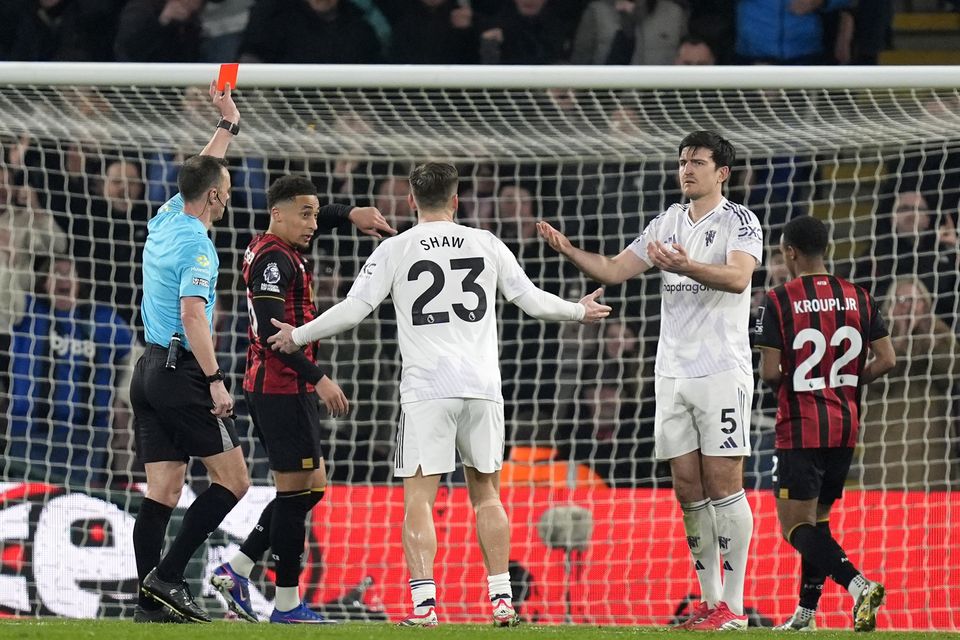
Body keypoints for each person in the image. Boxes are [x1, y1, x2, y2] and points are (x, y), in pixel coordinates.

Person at [267, 162, 611, 627]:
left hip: (428, 390)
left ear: (411, 201)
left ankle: (425, 608)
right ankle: (502, 601)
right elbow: (529, 298)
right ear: (456, 200)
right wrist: (577, 310)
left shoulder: (397, 248)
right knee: (487, 495)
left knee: (419, 500)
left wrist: (298, 334)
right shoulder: (486, 243)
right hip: (482, 387)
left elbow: (353, 309)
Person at [538, 130, 762, 630]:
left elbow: (739, 278)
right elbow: (616, 270)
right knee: (687, 487)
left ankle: (735, 607)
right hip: (672, 373)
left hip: (722, 369)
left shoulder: (740, 221)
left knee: (725, 483)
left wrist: (688, 265)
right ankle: (707, 602)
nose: (686, 169)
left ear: (721, 172)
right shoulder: (667, 220)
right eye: (682, 161)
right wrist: (570, 250)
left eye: (697, 162)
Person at [209, 175, 395, 624]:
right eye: (305, 214)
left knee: (309, 489)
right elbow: (278, 338)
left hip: (281, 388)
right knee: (298, 494)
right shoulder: (274, 261)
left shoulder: (271, 245)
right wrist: (322, 379)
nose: (313, 223)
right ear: (278, 213)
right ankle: (286, 603)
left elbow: (320, 215)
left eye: (316, 213)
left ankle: (238, 568)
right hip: (281, 388)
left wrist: (350, 214)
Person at [130, 79, 249, 624]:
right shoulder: (198, 245)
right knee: (235, 480)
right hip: (181, 372)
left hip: (147, 369)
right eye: (225, 190)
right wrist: (217, 379)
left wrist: (226, 126)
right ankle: (169, 578)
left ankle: (149, 602)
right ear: (217, 198)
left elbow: (200, 173)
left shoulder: (166, 217)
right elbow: (193, 316)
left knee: (164, 488)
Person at [753, 215, 896, 632]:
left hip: (800, 426)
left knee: (794, 525)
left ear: (790, 252)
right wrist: (848, 383)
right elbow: (888, 359)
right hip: (845, 426)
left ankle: (859, 585)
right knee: (818, 520)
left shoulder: (779, 299)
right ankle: (806, 613)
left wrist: (801, 380)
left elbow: (769, 372)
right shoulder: (860, 296)